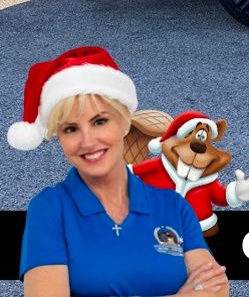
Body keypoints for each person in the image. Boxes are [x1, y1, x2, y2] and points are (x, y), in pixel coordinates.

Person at [8, 46, 230, 297]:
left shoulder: (173, 205)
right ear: (59, 138)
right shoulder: (50, 208)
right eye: (71, 129)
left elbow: (218, 289)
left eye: (100, 121)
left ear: (125, 122)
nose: (88, 141)